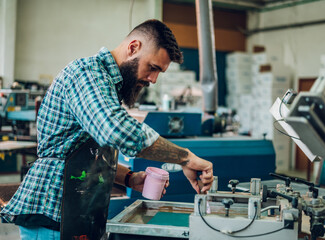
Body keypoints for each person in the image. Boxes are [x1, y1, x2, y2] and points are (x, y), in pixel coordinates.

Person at [0, 19, 213, 239]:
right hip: (52, 213)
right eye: (152, 68)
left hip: (76, 213)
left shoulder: (108, 87)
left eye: (159, 72)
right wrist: (185, 158)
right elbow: (115, 130)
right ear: (133, 48)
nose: (153, 79)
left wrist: (129, 178)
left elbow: (82, 154)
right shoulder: (87, 74)